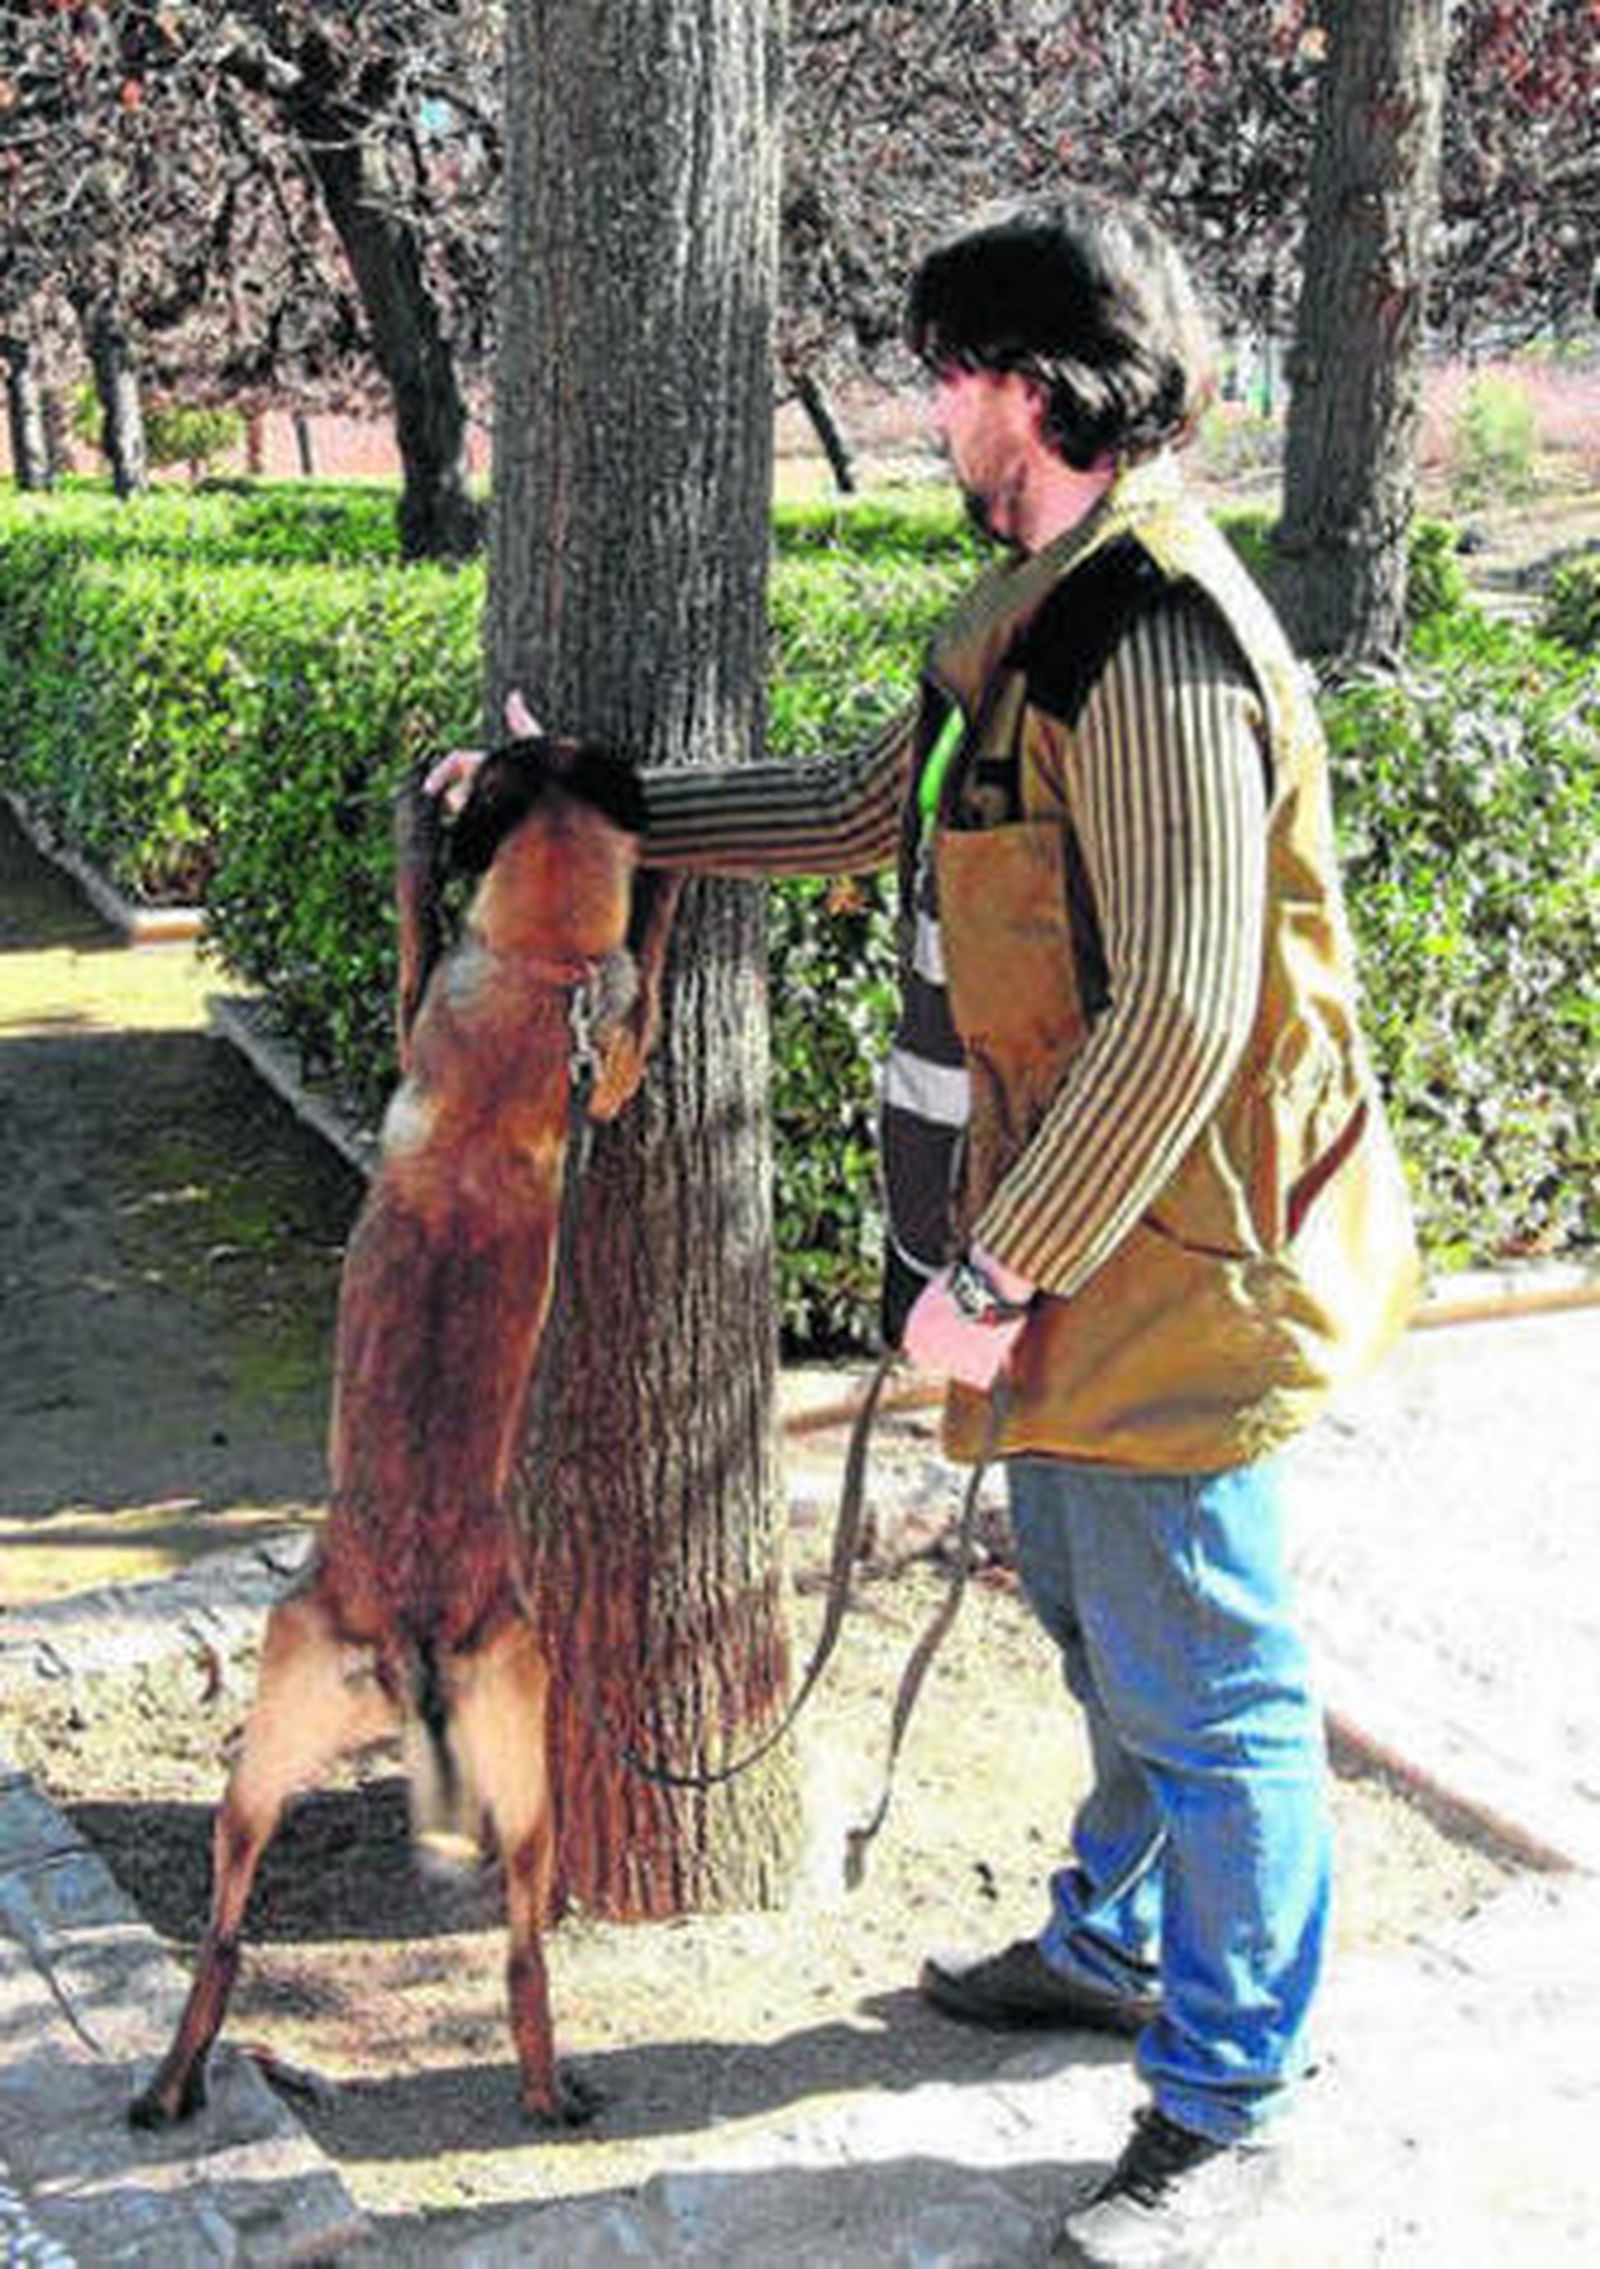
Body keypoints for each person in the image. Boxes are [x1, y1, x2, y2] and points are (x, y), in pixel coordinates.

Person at [436, 190, 1418, 2265]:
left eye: (951, 371)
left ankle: (1233, 2100)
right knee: (1093, 1619)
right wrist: (595, 807)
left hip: (1173, 1273)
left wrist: (991, 1275)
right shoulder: (1035, 610)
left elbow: (1175, 1010)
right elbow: (863, 808)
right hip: (1094, 1262)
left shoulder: (1144, 642)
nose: (927, 407)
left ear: (1037, 391)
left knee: (1212, 1685)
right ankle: (1116, 1936)